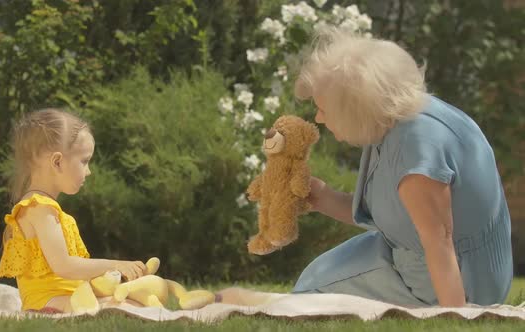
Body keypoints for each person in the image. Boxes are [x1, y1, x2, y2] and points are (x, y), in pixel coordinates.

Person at [217, 28, 513, 308]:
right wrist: (321, 196)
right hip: (417, 255)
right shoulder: (391, 121)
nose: (319, 119)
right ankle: (275, 301)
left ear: (355, 110)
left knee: (315, 287)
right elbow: (393, 217)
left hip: (454, 283)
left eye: (323, 109)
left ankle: (267, 303)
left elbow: (440, 242)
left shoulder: (417, 153)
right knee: (318, 272)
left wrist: (458, 317)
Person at [0, 108, 147, 313]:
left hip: (66, 295)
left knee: (133, 301)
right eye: (84, 161)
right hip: (48, 301)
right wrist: (114, 265)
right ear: (57, 162)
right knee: (124, 307)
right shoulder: (39, 208)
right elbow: (64, 266)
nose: (89, 171)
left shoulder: (47, 208)